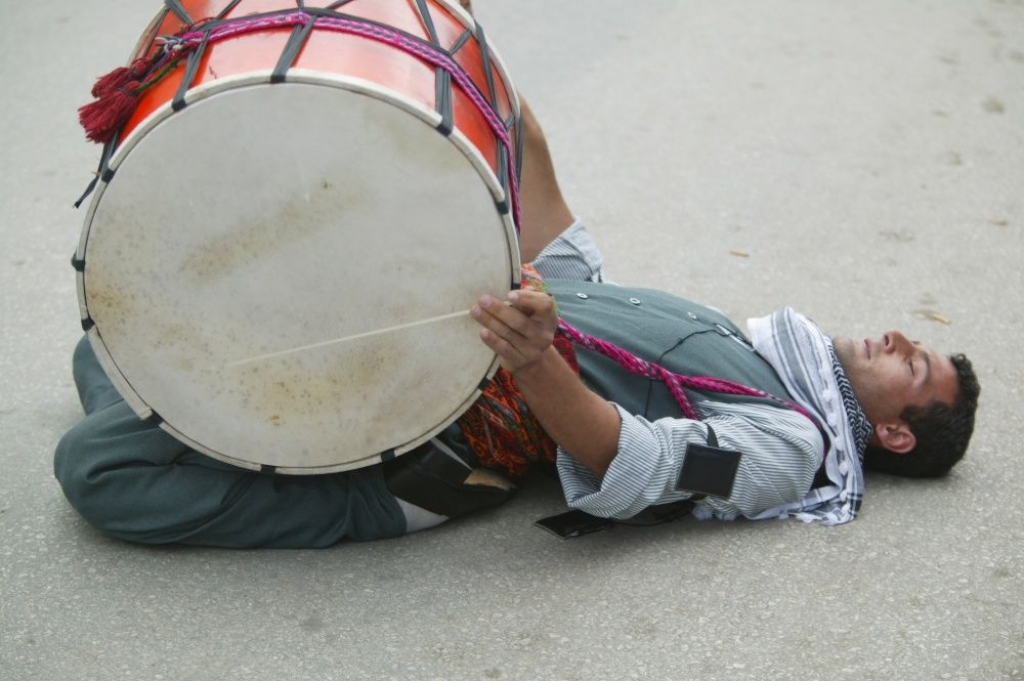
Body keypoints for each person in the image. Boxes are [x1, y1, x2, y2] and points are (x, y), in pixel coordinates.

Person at [53, 94, 980, 547]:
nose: (897, 338)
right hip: (428, 356)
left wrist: (535, 361)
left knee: (97, 470)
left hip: (444, 456)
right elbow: (575, 273)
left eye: (915, 364)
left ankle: (250, 461)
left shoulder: (786, 447)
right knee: (109, 356)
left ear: (893, 433)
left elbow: (640, 463)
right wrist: (499, 101)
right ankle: (200, 419)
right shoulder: (756, 343)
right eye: (911, 336)